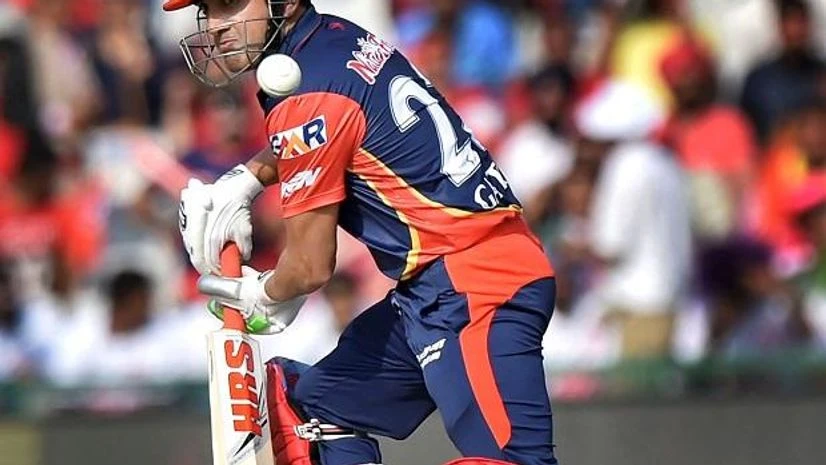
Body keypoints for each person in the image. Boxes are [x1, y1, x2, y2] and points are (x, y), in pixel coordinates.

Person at [166, 2, 558, 465]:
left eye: (229, 4)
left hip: (477, 284)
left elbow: (309, 266)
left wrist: (262, 292)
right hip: (435, 287)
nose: (216, 27)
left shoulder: (305, 90)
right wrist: (247, 179)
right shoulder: (334, 40)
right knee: (310, 408)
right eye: (208, 11)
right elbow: (344, 125)